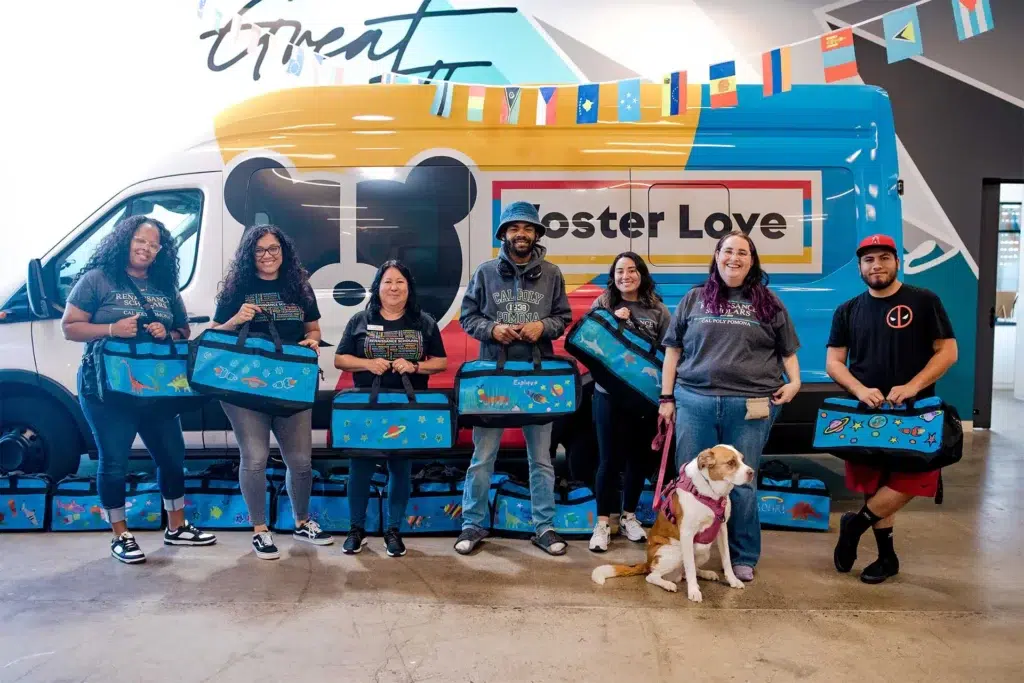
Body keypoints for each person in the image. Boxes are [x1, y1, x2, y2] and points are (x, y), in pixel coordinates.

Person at [62, 214, 217, 563]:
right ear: (125, 241)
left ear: (161, 251)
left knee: (172, 458)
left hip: (156, 390)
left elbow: (183, 332)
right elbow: (70, 327)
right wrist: (113, 328)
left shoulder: (165, 287)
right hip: (106, 390)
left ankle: (176, 527)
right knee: (114, 461)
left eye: (153, 244)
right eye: (140, 241)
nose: (146, 248)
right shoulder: (97, 280)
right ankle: (120, 533)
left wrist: (170, 333)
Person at [658, 230, 801, 583]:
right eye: (728, 251)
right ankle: (682, 548)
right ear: (716, 255)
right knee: (689, 484)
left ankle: (743, 556)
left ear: (752, 261)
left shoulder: (769, 302)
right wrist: (666, 397)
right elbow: (673, 351)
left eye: (742, 253)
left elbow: (787, 350)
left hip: (750, 404)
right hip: (695, 400)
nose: (734, 258)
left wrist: (795, 382)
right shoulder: (693, 299)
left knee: (742, 483)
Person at [826, 234, 957, 584]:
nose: (876, 266)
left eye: (884, 258)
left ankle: (854, 524)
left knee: (914, 480)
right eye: (869, 260)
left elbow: (947, 352)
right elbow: (835, 362)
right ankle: (887, 558)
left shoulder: (925, 301)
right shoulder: (848, 310)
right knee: (876, 483)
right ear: (860, 267)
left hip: (918, 412)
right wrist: (858, 388)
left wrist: (912, 386)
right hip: (867, 413)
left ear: (897, 262)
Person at [455, 201, 573, 556]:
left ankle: (544, 527)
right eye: (513, 228)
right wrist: (493, 329)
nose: (521, 234)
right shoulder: (485, 272)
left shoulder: (552, 273)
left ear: (536, 234)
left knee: (541, 459)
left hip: (538, 380)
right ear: (503, 234)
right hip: (493, 378)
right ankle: (473, 524)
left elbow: (562, 317)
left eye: (527, 229)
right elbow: (468, 317)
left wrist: (544, 326)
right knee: (482, 457)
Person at [212, 224, 332, 560]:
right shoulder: (237, 288)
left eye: (273, 249)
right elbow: (214, 333)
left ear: (284, 251)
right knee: (254, 458)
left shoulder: (299, 286)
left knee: (301, 461)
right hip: (243, 388)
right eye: (260, 250)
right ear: (250, 255)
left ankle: (302, 521)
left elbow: (313, 329)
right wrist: (235, 319)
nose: (267, 256)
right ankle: (260, 529)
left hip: (290, 382)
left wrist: (312, 342)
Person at [335, 260, 448, 557]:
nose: (394, 287)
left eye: (400, 282)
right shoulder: (359, 320)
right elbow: (340, 359)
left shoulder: (424, 322)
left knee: (400, 467)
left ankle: (394, 531)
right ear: (377, 287)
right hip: (367, 407)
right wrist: (367, 363)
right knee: (359, 467)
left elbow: (441, 363)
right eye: (387, 282)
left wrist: (414, 366)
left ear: (408, 288)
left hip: (405, 408)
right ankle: (356, 530)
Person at [587, 251, 671, 553]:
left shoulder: (658, 310)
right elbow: (588, 339)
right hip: (607, 396)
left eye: (632, 270)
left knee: (638, 459)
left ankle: (629, 516)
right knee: (609, 460)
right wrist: (610, 319)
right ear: (614, 276)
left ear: (642, 274)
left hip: (644, 399)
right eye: (620, 271)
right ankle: (602, 523)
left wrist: (666, 396)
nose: (626, 276)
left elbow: (670, 353)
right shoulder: (604, 303)